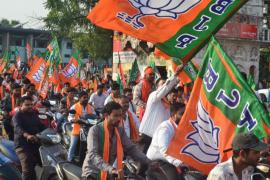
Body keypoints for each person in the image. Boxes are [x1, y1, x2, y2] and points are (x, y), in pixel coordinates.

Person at [82, 101, 151, 180]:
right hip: (92, 172)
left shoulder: (120, 131)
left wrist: (149, 162)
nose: (119, 118)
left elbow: (131, 149)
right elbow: (93, 154)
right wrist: (111, 170)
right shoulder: (95, 130)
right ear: (106, 116)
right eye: (115, 116)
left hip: (109, 172)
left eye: (120, 115)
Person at [138, 65, 183, 153]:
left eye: (165, 83)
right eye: (162, 84)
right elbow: (165, 89)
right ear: (157, 86)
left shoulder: (169, 105)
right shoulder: (153, 97)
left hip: (157, 141)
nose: (165, 86)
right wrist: (175, 74)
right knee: (141, 165)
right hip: (145, 138)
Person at [147, 103, 185, 178]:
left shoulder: (181, 127)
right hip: (159, 160)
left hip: (172, 160)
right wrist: (179, 163)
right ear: (173, 115)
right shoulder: (165, 128)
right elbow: (164, 150)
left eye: (185, 113)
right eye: (181, 114)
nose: (184, 116)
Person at [13, 96, 46, 180]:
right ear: (21, 105)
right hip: (22, 145)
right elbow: (18, 128)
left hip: (35, 142)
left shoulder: (33, 114)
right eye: (27, 105)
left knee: (46, 162)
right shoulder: (17, 116)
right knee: (28, 168)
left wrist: (52, 131)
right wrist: (27, 135)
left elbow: (40, 125)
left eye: (31, 104)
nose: (30, 106)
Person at [68, 91, 95, 162]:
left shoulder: (90, 107)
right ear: (80, 98)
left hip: (88, 128)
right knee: (73, 144)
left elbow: (94, 115)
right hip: (77, 128)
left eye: (87, 98)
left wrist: (96, 117)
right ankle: (69, 159)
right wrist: (73, 120)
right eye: (84, 98)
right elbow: (70, 117)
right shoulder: (74, 106)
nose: (86, 99)